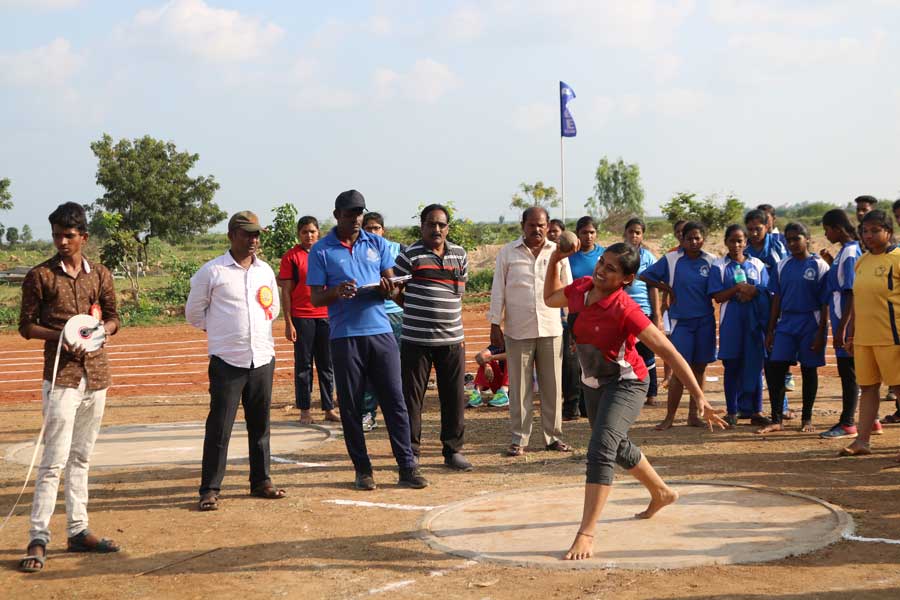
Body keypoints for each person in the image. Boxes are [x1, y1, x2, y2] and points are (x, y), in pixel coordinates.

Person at [542, 241, 726, 561]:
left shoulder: (625, 309)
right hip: (593, 383)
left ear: (626, 279)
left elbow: (669, 352)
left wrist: (699, 396)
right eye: (602, 262)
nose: (601, 270)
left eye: (611, 268)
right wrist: (555, 259)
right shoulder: (581, 288)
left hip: (627, 383)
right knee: (616, 444)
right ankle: (661, 492)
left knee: (601, 449)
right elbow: (549, 298)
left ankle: (586, 533)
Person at [17, 202, 121, 572]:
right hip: (61, 377)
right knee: (53, 461)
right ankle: (38, 537)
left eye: (69, 235)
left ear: (83, 237)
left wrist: (100, 332)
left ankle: (78, 529)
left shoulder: (100, 274)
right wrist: (62, 337)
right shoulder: (40, 276)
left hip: (96, 376)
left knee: (81, 457)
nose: (62, 241)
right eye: (57, 235)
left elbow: (114, 318)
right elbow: (26, 326)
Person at [306, 190, 426, 490]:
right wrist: (337, 292)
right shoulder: (321, 250)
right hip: (345, 336)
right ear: (337, 215)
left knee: (395, 401)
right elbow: (316, 297)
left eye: (359, 213)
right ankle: (363, 470)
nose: (356, 219)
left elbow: (393, 287)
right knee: (351, 406)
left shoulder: (377, 243)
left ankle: (407, 467)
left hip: (380, 332)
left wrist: (389, 289)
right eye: (350, 214)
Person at [186, 210, 287, 511]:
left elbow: (273, 309)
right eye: (247, 234)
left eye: (256, 234)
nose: (253, 239)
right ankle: (210, 489)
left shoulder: (264, 270)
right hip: (227, 361)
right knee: (220, 427)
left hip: (262, 358)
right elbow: (194, 314)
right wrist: (221, 331)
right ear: (231, 235)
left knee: (261, 424)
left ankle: (261, 480)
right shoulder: (212, 272)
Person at [488, 206, 573, 457]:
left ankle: (553, 437)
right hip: (518, 329)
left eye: (541, 225)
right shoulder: (507, 253)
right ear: (522, 226)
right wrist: (495, 324)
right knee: (519, 388)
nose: (537, 229)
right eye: (531, 225)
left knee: (553, 386)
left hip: (551, 328)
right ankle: (519, 438)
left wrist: (573, 322)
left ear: (548, 226)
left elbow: (569, 290)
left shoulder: (559, 253)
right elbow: (498, 289)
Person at [394, 204, 472, 471]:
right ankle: (411, 452)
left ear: (447, 228)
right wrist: (416, 309)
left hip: (452, 340)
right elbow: (396, 292)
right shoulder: (409, 255)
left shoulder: (460, 254)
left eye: (441, 224)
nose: (436, 229)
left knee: (454, 398)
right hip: (416, 340)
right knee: (411, 399)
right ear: (422, 226)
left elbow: (457, 294)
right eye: (431, 224)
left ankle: (453, 451)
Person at [640, 221, 717, 430]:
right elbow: (645, 276)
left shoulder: (711, 261)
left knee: (700, 367)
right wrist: (667, 288)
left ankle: (694, 415)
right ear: (682, 239)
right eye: (689, 238)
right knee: (678, 369)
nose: (694, 242)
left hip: (705, 321)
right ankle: (670, 417)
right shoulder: (672, 259)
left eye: (697, 238)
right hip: (681, 321)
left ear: (703, 239)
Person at [756, 223, 829, 434]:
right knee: (776, 368)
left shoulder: (819, 265)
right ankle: (777, 419)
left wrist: (821, 332)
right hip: (786, 322)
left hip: (810, 322)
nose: (792, 243)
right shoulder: (782, 265)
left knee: (809, 369)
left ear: (807, 239)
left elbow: (825, 303)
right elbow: (776, 300)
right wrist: (771, 330)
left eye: (797, 238)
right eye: (788, 240)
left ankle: (807, 418)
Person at [839, 210, 900, 457]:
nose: (869, 235)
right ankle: (862, 442)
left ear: (889, 232)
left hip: (892, 337)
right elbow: (857, 299)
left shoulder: (897, 259)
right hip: (865, 339)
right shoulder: (862, 261)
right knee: (868, 388)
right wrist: (852, 333)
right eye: (865, 231)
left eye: (875, 230)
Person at [278, 215, 338, 425]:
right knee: (303, 365)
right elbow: (286, 291)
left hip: (326, 316)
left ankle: (329, 408)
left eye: (312, 231)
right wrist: (288, 322)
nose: (309, 235)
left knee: (327, 365)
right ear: (298, 234)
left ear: (318, 232)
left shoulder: (327, 253)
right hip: (302, 317)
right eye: (304, 232)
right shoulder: (291, 257)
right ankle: (304, 410)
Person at [708, 224, 770, 427]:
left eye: (740, 241)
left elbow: (766, 290)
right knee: (732, 365)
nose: (736, 245)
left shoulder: (757, 264)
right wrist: (737, 289)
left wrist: (752, 291)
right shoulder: (719, 266)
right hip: (732, 322)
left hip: (754, 321)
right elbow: (717, 296)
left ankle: (757, 410)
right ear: (726, 242)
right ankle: (732, 411)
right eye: (732, 241)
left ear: (746, 242)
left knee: (755, 364)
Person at [818, 210, 864, 439]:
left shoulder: (851, 252)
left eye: (827, 230)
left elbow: (853, 291)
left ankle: (847, 423)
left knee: (849, 373)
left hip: (845, 321)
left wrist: (845, 328)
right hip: (841, 317)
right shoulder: (846, 251)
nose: (826, 235)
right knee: (853, 371)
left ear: (837, 228)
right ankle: (871, 420)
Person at [358, 212, 405, 432]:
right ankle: (368, 412)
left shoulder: (399, 250)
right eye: (368, 228)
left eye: (376, 228)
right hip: (370, 315)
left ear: (383, 230)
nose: (373, 232)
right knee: (370, 368)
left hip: (396, 315)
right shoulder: (357, 251)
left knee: (397, 366)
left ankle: (398, 414)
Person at [623, 217, 660, 407]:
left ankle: (651, 391)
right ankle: (628, 391)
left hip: (643, 310)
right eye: (631, 231)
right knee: (625, 352)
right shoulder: (618, 255)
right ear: (625, 233)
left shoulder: (648, 257)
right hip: (621, 311)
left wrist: (656, 314)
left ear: (642, 235)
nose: (634, 235)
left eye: (638, 232)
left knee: (647, 353)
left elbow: (653, 287)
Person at [548, 219, 581, 421]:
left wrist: (569, 317)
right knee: (553, 364)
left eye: (556, 232)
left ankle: (572, 406)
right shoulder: (544, 253)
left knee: (569, 362)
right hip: (544, 317)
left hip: (561, 316)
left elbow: (568, 287)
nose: (553, 235)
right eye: (550, 231)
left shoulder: (564, 258)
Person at [659, 219, 686, 390]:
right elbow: (664, 281)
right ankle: (668, 376)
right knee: (669, 340)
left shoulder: (701, 255)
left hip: (692, 308)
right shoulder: (671, 254)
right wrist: (664, 301)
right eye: (678, 231)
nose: (681, 234)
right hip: (673, 306)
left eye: (684, 231)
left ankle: (688, 375)